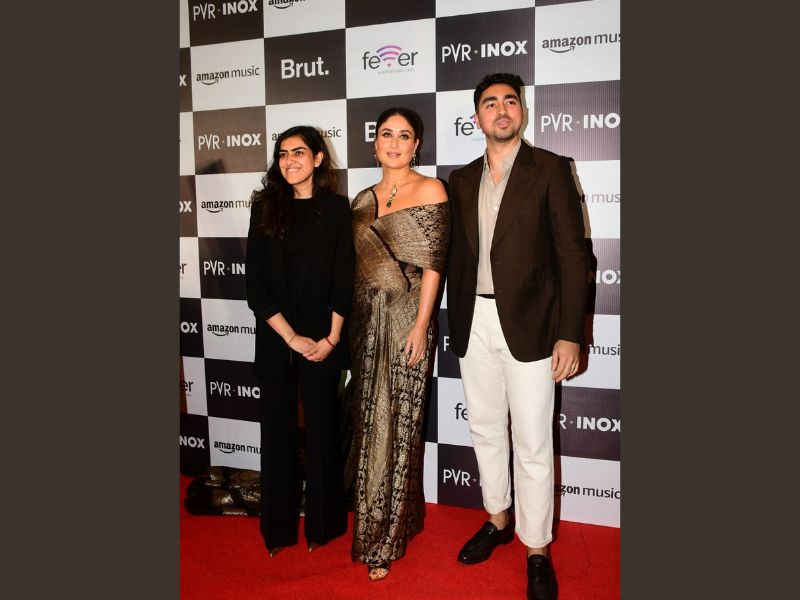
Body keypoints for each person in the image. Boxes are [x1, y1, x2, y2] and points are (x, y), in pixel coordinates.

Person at [446, 73, 590, 600]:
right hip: (474, 322)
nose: (502, 110)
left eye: (510, 101)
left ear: (522, 111)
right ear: (477, 117)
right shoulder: (460, 180)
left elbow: (574, 257)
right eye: (491, 103)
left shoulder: (550, 168)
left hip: (532, 325)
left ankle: (537, 547)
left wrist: (569, 334)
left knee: (532, 441)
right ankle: (498, 518)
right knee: (486, 429)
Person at [345, 107, 450, 581]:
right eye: (386, 134)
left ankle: (383, 540)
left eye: (403, 136)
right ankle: (375, 517)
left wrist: (421, 325)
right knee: (368, 420)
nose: (393, 143)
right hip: (364, 322)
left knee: (396, 426)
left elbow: (434, 266)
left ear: (416, 145)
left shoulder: (431, 190)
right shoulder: (361, 199)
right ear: (375, 144)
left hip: (407, 317)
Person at [245, 125, 354, 558]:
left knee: (323, 433)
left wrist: (331, 338)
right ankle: (277, 530)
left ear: (318, 158)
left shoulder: (337, 209)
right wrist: (290, 337)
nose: (289, 161)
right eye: (283, 154)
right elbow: (255, 286)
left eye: (299, 152)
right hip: (278, 339)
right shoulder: (264, 208)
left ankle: (324, 527)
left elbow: (344, 278)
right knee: (277, 435)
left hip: (324, 342)